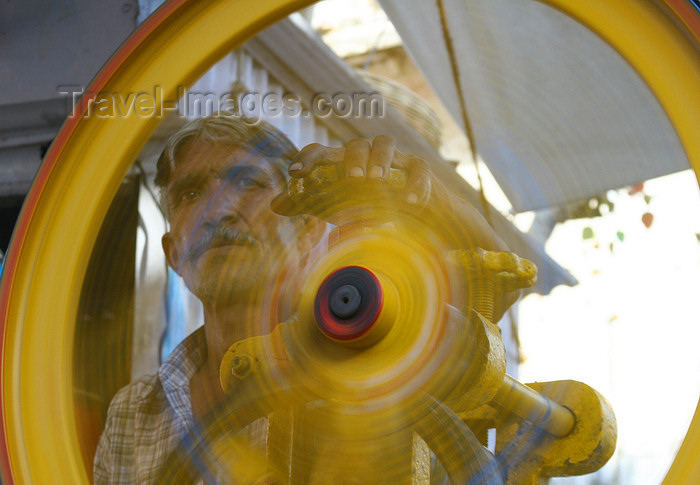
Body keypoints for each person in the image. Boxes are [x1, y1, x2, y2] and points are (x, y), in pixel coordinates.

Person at [93, 113, 509, 484]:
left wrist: (424, 193)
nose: (216, 212)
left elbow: (501, 279)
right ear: (173, 254)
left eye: (250, 183)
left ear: (309, 232)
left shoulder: (377, 359)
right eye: (190, 194)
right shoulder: (132, 412)